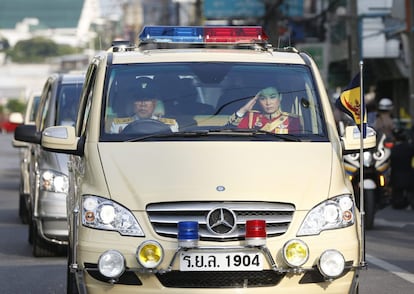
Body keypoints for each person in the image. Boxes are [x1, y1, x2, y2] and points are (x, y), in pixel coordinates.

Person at [227, 86, 302, 133]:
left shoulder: (291, 120)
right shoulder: (251, 118)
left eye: (272, 97)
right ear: (258, 100)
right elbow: (230, 131)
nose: (268, 103)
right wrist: (243, 109)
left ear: (280, 97)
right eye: (263, 98)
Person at [110, 86, 178, 133]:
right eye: (139, 100)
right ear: (133, 104)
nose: (143, 104)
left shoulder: (170, 126)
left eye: (147, 100)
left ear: (154, 104)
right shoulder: (118, 125)